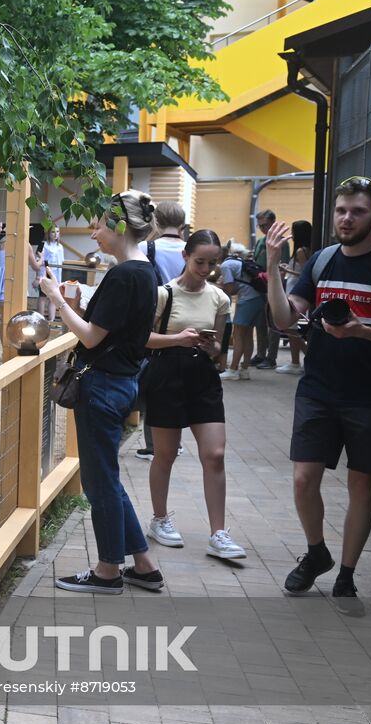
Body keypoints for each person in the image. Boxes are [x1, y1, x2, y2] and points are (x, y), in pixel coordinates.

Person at [265, 176, 371, 598]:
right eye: (341, 211)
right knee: (303, 479)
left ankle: (346, 575)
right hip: (319, 388)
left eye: (357, 211)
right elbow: (285, 320)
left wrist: (362, 331)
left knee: (361, 485)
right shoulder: (321, 261)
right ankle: (316, 552)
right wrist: (271, 269)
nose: (347, 219)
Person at [39, 190, 163, 594]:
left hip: (103, 385)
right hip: (123, 383)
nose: (93, 232)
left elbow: (91, 338)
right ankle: (143, 564)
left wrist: (57, 299)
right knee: (107, 478)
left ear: (120, 225)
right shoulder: (145, 272)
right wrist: (77, 303)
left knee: (99, 484)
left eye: (98, 224)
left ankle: (108, 570)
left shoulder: (125, 274)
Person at [139, 229, 245, 559]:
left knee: (214, 454)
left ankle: (219, 533)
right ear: (185, 256)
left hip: (203, 376)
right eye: (200, 261)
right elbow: (143, 338)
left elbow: (220, 353)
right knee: (166, 454)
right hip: (167, 373)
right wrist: (177, 339)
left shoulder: (219, 298)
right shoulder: (163, 294)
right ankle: (160, 519)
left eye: (213, 263)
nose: (206, 269)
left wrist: (210, 344)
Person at [134, 202, 189, 461]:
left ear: (155, 220)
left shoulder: (146, 248)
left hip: (154, 322)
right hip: (185, 322)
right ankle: (173, 441)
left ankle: (153, 444)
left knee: (152, 383)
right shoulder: (190, 252)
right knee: (177, 386)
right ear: (182, 223)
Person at [250, 208, 289, 370]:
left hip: (274, 284)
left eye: (265, 225)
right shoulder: (260, 241)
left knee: (273, 323)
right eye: (260, 226)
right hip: (259, 285)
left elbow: (283, 266)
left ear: (273, 223)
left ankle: (271, 357)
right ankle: (260, 354)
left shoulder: (282, 242)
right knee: (260, 321)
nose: (263, 229)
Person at [275, 219, 313, 375]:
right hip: (294, 290)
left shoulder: (301, 251)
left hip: (296, 292)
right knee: (292, 330)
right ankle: (305, 359)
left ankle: (296, 362)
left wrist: (288, 271)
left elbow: (305, 274)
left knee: (292, 329)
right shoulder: (305, 249)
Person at [218, 243, 257, 380]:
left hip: (246, 299)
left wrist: (219, 286)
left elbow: (229, 289)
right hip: (257, 298)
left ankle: (233, 370)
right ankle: (244, 369)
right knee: (248, 334)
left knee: (238, 334)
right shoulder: (238, 261)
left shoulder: (225, 266)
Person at [42, 226, 65, 323]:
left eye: (57, 232)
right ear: (48, 233)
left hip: (57, 273)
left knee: (53, 296)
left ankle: (51, 319)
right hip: (46, 272)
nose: (55, 234)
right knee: (43, 296)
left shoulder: (60, 246)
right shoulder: (45, 245)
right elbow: (42, 260)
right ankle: (41, 319)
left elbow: (62, 261)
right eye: (53, 232)